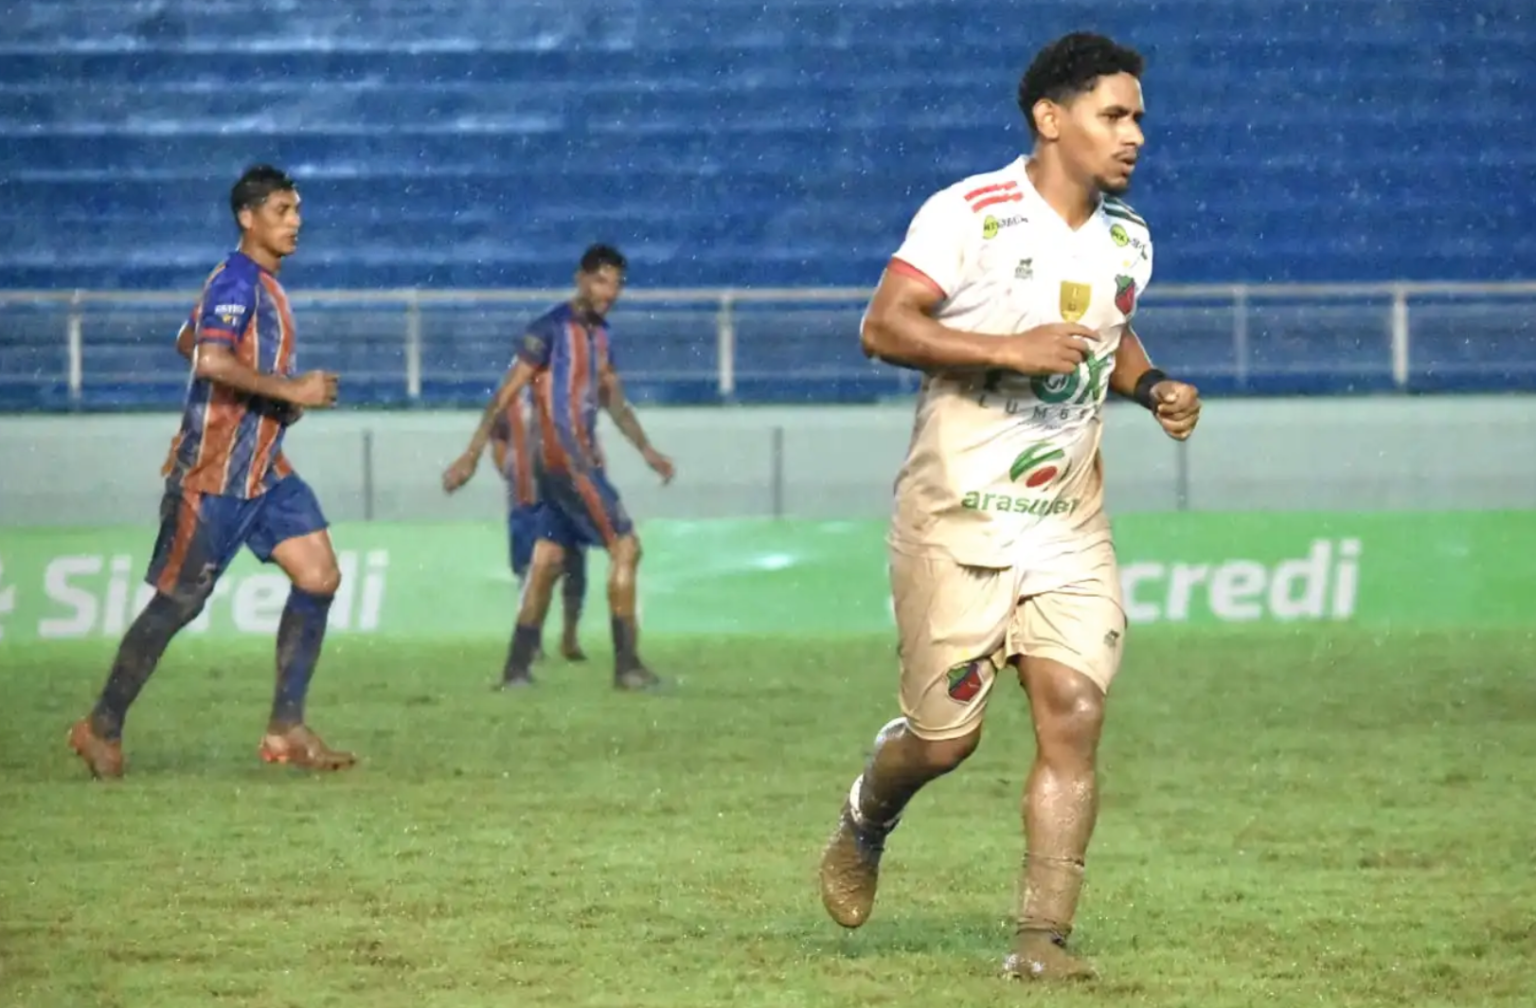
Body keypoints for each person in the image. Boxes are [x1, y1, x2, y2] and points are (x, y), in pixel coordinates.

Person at [815, 33, 1202, 981]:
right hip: (957, 518)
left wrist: (1150, 389)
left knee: (1072, 708)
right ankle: (870, 811)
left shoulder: (1129, 238)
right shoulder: (970, 214)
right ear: (1051, 118)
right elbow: (883, 325)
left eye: (1139, 117)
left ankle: (1040, 943)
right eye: (1115, 115)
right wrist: (1007, 349)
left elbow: (1111, 333)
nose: (1135, 135)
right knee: (947, 741)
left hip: (1067, 520)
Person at [68, 164, 357, 779]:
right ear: (247, 218)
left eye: (298, 209)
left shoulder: (260, 285)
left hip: (264, 469)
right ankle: (101, 725)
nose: (296, 221)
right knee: (178, 605)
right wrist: (289, 389)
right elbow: (207, 358)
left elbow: (187, 340)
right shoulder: (239, 280)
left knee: (320, 575)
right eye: (282, 210)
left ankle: (287, 728)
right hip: (214, 473)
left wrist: (274, 402)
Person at [442, 244, 675, 691]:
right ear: (582, 279)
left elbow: (615, 403)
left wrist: (647, 451)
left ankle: (515, 671)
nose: (611, 291)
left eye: (617, 283)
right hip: (570, 461)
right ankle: (627, 667)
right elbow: (505, 395)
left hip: (559, 467)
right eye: (602, 280)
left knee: (547, 559)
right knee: (626, 548)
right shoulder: (548, 330)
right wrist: (471, 454)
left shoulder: (600, 337)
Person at [489, 383, 589, 662]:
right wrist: (511, 470)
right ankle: (532, 639)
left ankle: (570, 635)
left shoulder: (566, 391)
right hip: (526, 497)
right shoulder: (509, 396)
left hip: (565, 494)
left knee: (574, 566)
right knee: (528, 569)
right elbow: (497, 439)